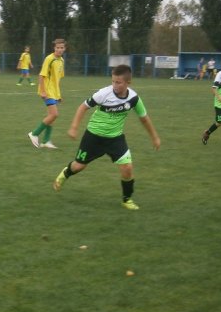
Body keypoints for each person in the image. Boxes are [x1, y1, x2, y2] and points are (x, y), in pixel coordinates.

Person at [52, 64, 161, 210]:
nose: (115, 85)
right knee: (78, 166)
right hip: (93, 137)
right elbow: (83, 107)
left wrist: (155, 137)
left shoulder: (134, 99)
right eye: (113, 81)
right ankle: (65, 173)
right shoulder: (103, 94)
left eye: (118, 82)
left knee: (127, 168)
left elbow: (144, 118)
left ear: (128, 82)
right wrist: (74, 127)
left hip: (115, 139)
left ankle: (127, 199)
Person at [28, 38, 66, 149]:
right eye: (57, 47)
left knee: (51, 116)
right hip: (47, 91)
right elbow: (41, 75)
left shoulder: (61, 61)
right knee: (54, 114)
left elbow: (58, 79)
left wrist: (59, 95)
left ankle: (46, 141)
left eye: (61, 48)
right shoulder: (49, 59)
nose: (59, 49)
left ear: (64, 48)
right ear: (54, 48)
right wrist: (43, 91)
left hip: (54, 92)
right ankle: (34, 133)